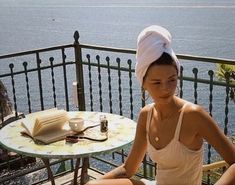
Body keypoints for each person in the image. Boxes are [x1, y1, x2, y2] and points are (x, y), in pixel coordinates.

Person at [85, 25, 235, 185]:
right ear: (143, 83)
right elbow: (128, 169)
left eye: (172, 79)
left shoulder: (193, 115)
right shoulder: (146, 115)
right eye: (156, 82)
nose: (165, 88)